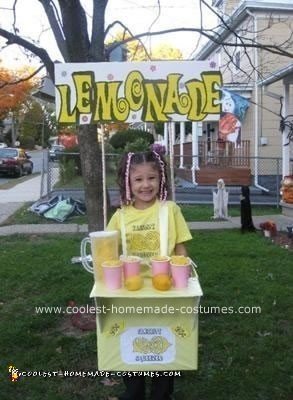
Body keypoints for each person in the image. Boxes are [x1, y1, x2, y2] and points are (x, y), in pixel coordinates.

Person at [107, 150, 192, 400]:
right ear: (127, 182)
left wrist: (183, 276)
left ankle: (161, 393)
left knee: (164, 341)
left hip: (164, 291)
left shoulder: (170, 210)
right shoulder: (120, 216)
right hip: (130, 294)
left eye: (151, 178)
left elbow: (180, 248)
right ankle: (133, 391)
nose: (146, 185)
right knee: (132, 341)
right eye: (138, 179)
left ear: (161, 179)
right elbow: (110, 252)